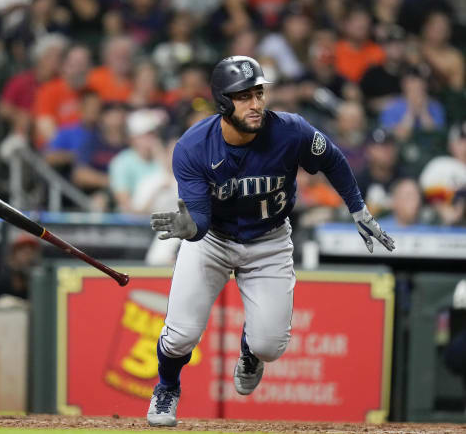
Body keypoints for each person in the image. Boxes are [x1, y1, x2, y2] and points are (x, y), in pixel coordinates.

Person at [145, 56, 396, 427]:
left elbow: (333, 160)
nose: (256, 103)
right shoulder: (193, 147)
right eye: (244, 96)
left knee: (270, 346)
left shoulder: (290, 130)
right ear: (223, 102)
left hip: (269, 240)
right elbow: (199, 222)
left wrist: (358, 209)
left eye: (259, 93)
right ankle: (167, 387)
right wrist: (190, 228)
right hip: (212, 239)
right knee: (180, 336)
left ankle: (250, 351)